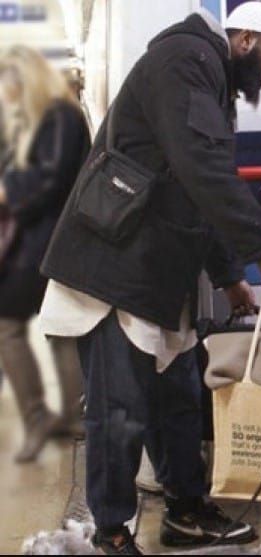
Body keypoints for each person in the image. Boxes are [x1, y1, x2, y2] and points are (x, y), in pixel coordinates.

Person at [37, 2, 261, 554]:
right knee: (120, 411)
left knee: (176, 398)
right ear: (245, 39)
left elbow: (199, 183)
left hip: (156, 271)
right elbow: (200, 166)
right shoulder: (186, 58)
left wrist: (229, 276)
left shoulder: (210, 76)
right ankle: (109, 532)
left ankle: (185, 510)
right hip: (115, 267)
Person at [0, 45, 90, 464]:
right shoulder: (51, 116)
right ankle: (71, 415)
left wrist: (8, 191)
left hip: (43, 242)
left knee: (8, 326)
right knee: (59, 332)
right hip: (51, 240)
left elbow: (49, 179)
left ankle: (40, 416)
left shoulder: (57, 116)